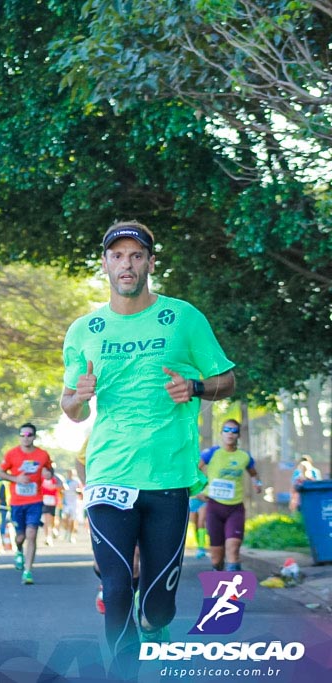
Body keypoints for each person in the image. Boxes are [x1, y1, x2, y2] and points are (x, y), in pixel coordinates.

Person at [61, 221, 235, 672]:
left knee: (158, 602)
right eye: (117, 256)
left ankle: (156, 624)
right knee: (117, 586)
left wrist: (195, 387)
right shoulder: (85, 329)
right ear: (104, 264)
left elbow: (226, 380)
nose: (127, 264)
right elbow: (71, 409)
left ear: (150, 263)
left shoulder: (183, 317)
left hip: (168, 472)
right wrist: (78, 396)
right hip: (109, 470)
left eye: (136, 256)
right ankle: (125, 670)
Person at [199, 419, 261, 572]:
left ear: (238, 435)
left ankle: (233, 595)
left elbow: (253, 473)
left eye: (234, 431)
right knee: (216, 558)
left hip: (235, 508)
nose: (230, 434)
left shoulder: (244, 456)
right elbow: (195, 471)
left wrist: (257, 484)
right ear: (221, 433)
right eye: (227, 430)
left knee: (233, 549)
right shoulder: (211, 453)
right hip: (214, 507)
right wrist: (198, 491)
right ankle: (218, 587)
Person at [0, 423, 54, 584]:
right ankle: (18, 551)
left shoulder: (42, 455)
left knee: (32, 534)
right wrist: (16, 479)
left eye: (29, 435)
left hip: (35, 501)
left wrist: (48, 473)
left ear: (34, 437)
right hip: (17, 502)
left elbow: (50, 472)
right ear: (19, 437)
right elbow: (1, 473)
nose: (25, 438)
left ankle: (28, 571)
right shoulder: (11, 454)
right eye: (22, 435)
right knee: (20, 536)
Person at [61, 468, 84, 543]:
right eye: (69, 473)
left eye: (72, 473)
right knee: (65, 518)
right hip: (66, 503)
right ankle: (67, 531)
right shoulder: (65, 481)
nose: (70, 474)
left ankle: (71, 535)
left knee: (72, 519)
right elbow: (61, 491)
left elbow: (81, 491)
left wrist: (78, 491)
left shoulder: (76, 481)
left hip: (74, 502)